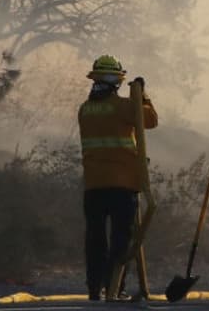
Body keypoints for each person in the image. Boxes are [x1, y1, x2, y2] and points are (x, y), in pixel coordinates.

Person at [78, 55, 158, 301]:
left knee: (95, 239)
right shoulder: (123, 107)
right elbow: (151, 121)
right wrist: (142, 95)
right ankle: (115, 288)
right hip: (123, 184)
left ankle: (94, 289)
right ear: (116, 81)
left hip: (93, 185)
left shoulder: (85, 109)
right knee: (121, 239)